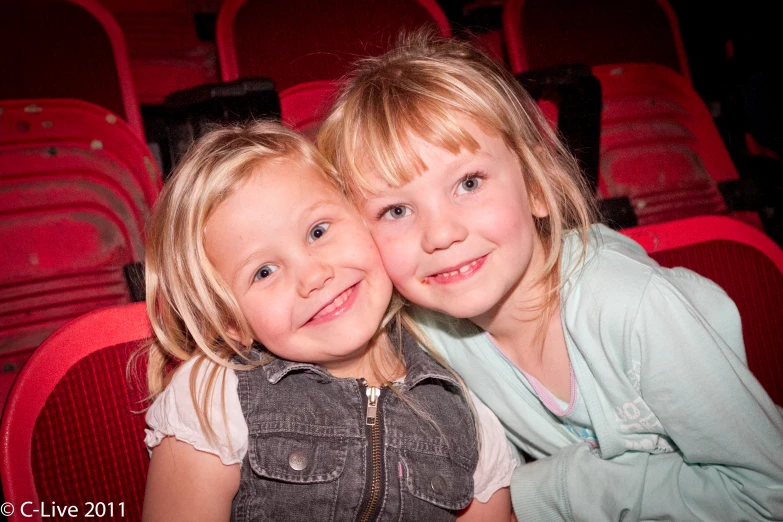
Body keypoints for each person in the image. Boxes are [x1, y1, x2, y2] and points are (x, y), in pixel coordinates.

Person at [317, 31, 783, 521]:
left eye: (468, 183)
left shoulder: (634, 309)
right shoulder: (431, 329)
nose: (441, 233)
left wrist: (548, 488)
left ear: (537, 187)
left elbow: (767, 493)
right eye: (395, 210)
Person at [141, 121, 517, 522]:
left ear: (363, 217)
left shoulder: (464, 413)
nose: (313, 276)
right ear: (231, 322)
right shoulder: (213, 398)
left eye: (318, 231)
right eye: (264, 272)